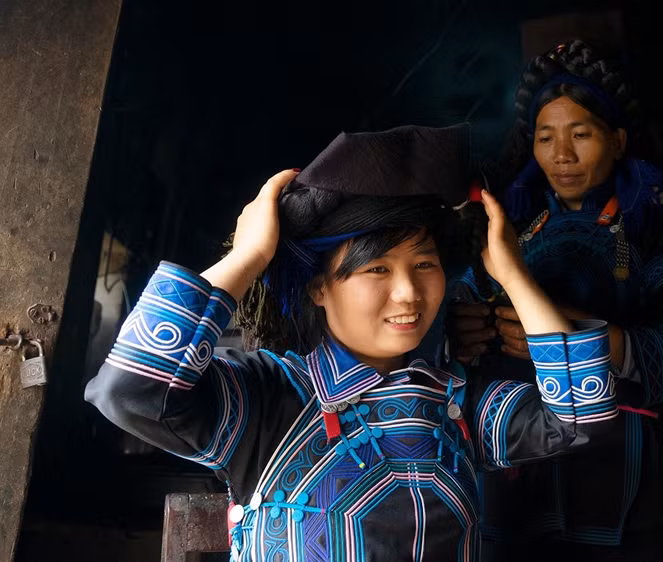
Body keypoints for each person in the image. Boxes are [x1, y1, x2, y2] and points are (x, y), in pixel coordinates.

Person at [85, 124, 621, 562]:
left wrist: (514, 274)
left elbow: (583, 418)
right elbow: (129, 391)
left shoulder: (457, 404)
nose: (408, 292)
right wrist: (248, 257)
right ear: (319, 288)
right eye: (377, 269)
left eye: (425, 264)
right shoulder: (270, 399)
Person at [448, 41, 663, 561]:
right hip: (517, 464)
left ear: (617, 140)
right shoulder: (506, 230)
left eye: (580, 135)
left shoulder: (657, 231)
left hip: (622, 470)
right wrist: (463, 334)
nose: (560, 156)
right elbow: (459, 315)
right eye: (545, 137)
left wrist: (580, 338)